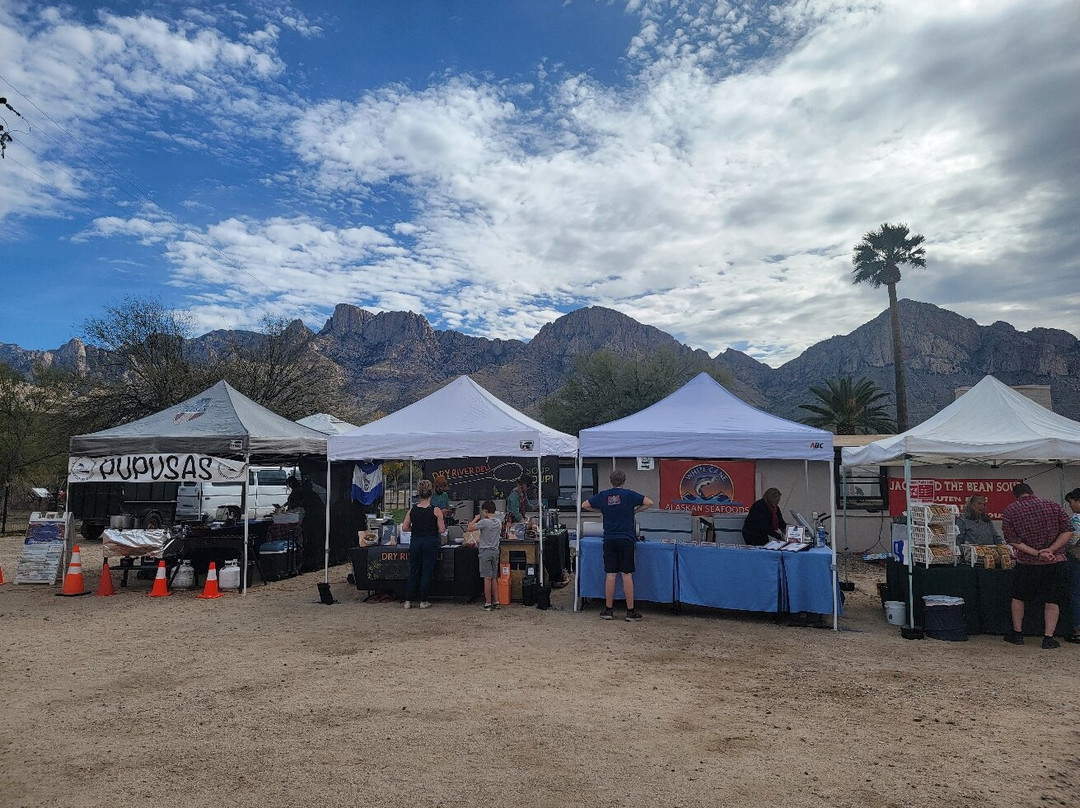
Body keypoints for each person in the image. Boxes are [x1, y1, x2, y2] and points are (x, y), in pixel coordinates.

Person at [1001, 482, 1072, 648]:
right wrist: (1051, 550)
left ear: (1016, 495)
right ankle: (1048, 638)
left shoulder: (1010, 511)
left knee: (1019, 598)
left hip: (1027, 563)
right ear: (1032, 492)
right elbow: (1067, 530)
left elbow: (1013, 540)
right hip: (1055, 562)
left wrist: (1037, 553)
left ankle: (1017, 634)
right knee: (1052, 600)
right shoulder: (1053, 505)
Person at [582, 469, 653, 622]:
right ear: (624, 480)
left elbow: (584, 505)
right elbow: (649, 502)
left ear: (610, 481)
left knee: (611, 574)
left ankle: (608, 610)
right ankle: (630, 611)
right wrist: (635, 511)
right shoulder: (629, 495)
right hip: (626, 538)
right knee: (627, 574)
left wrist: (601, 510)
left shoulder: (603, 496)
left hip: (609, 539)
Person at [401, 479, 446, 610]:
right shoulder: (436, 510)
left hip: (416, 541)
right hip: (430, 541)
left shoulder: (412, 509)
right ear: (431, 493)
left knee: (414, 570)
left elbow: (404, 527)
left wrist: (414, 529)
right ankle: (423, 600)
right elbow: (442, 530)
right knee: (427, 570)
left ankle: (408, 600)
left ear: (419, 494)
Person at [469, 500, 502, 611]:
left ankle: (488, 603)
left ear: (486, 511)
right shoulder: (498, 522)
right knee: (494, 577)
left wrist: (475, 519)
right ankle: (496, 601)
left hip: (485, 551)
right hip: (495, 551)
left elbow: (470, 528)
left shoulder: (484, 522)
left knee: (486, 578)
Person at [1064, 488, 1080, 644]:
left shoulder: (1075, 519)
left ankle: (1077, 629)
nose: (1071, 507)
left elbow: (1070, 540)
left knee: (1076, 594)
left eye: (1071, 503)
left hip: (1076, 561)